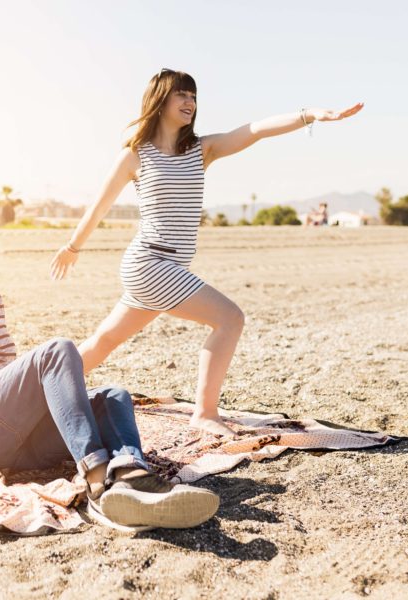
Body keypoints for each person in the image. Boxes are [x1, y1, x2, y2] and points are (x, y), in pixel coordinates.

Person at [50, 68, 363, 437]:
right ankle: (205, 412)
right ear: (159, 99)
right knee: (230, 319)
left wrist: (309, 114)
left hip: (165, 266)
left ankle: (41, 391)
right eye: (181, 95)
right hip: (149, 262)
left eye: (193, 97)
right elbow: (98, 208)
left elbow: (256, 130)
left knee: (106, 340)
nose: (189, 102)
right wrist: (72, 247)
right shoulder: (134, 156)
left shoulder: (202, 149)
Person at [0, 223, 220, 529]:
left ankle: (129, 477)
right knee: (58, 349)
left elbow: (12, 385)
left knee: (112, 396)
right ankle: (96, 480)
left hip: (19, 439)